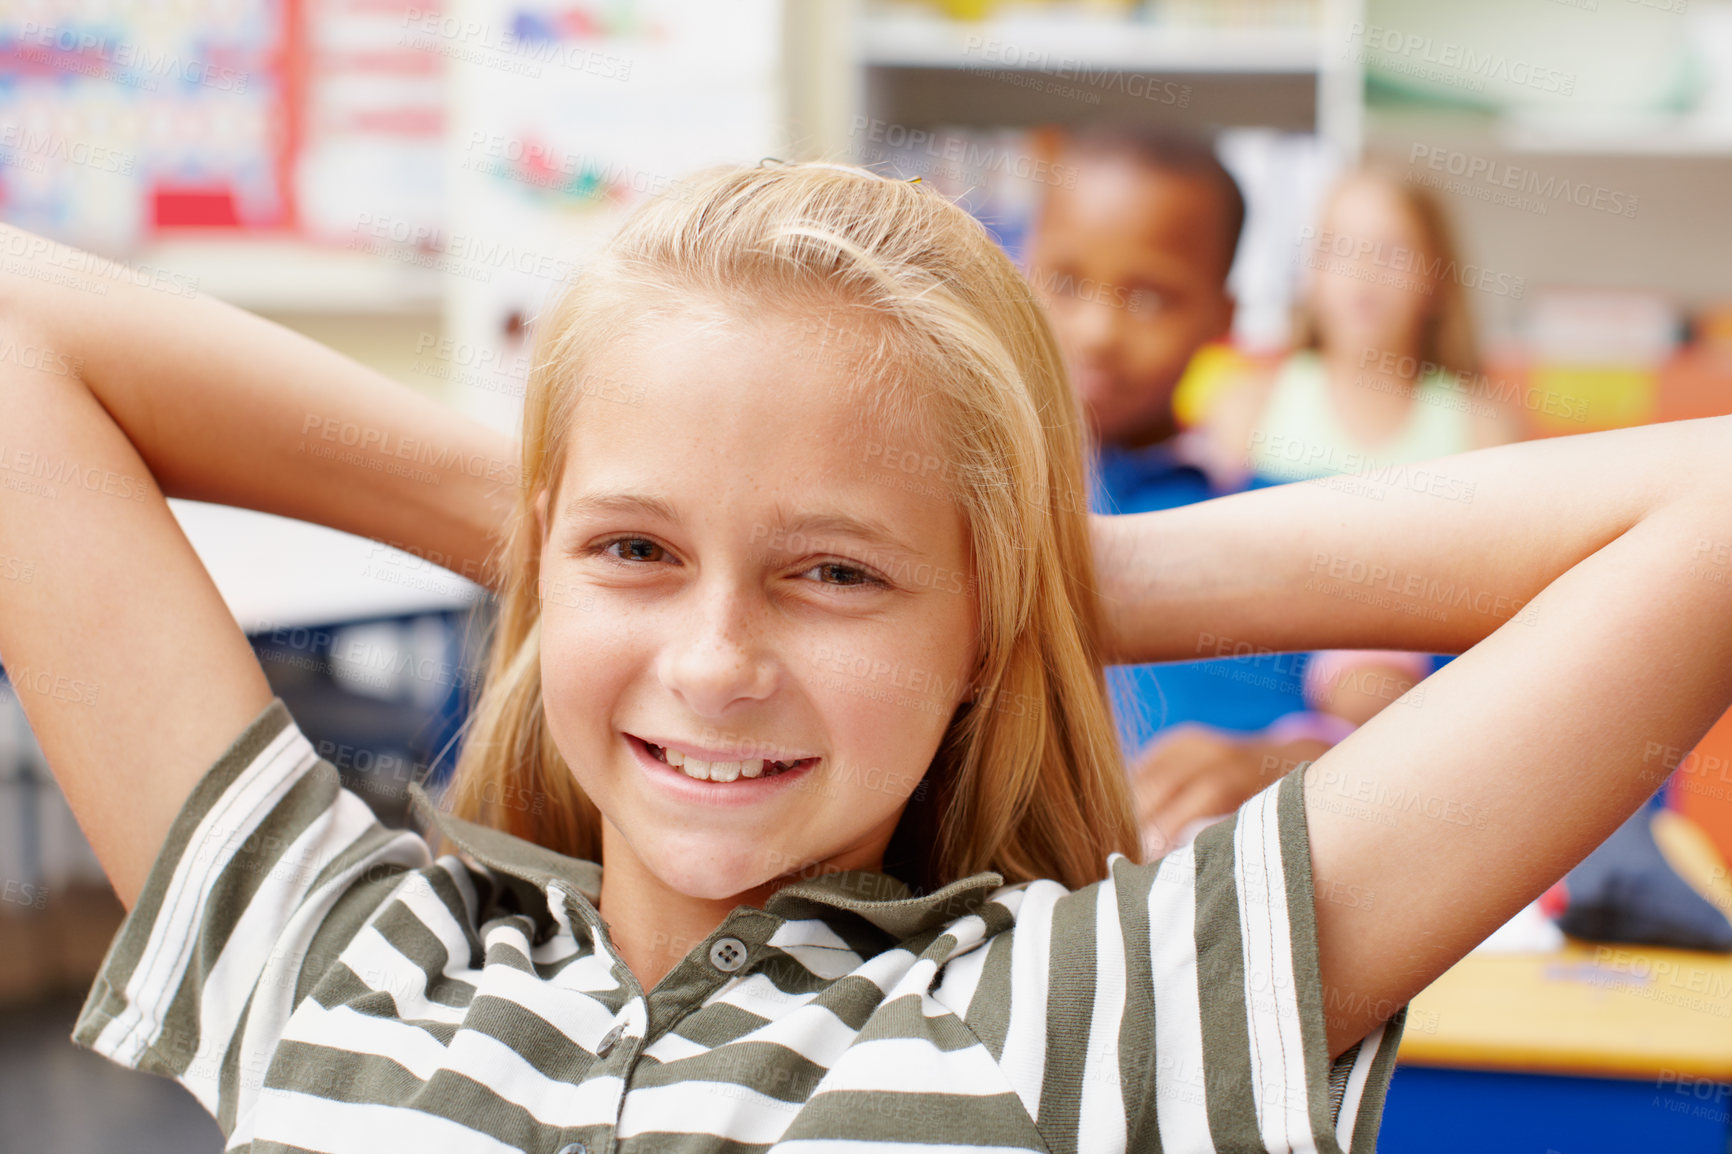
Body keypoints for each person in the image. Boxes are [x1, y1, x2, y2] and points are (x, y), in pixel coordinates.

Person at [5, 162, 1731, 1154]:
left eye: (833, 571)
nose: (716, 655)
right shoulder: (351, 959)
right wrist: (552, 512)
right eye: (643, 555)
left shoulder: (1083, 1020)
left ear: (972, 634)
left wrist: (1058, 576)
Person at [1024, 124, 1344, 856]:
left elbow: (1423, 738)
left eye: (1149, 298)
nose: (1098, 331)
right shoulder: (952, 503)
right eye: (1066, 282)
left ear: (1221, 318)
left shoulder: (1278, 520)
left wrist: (1277, 767)